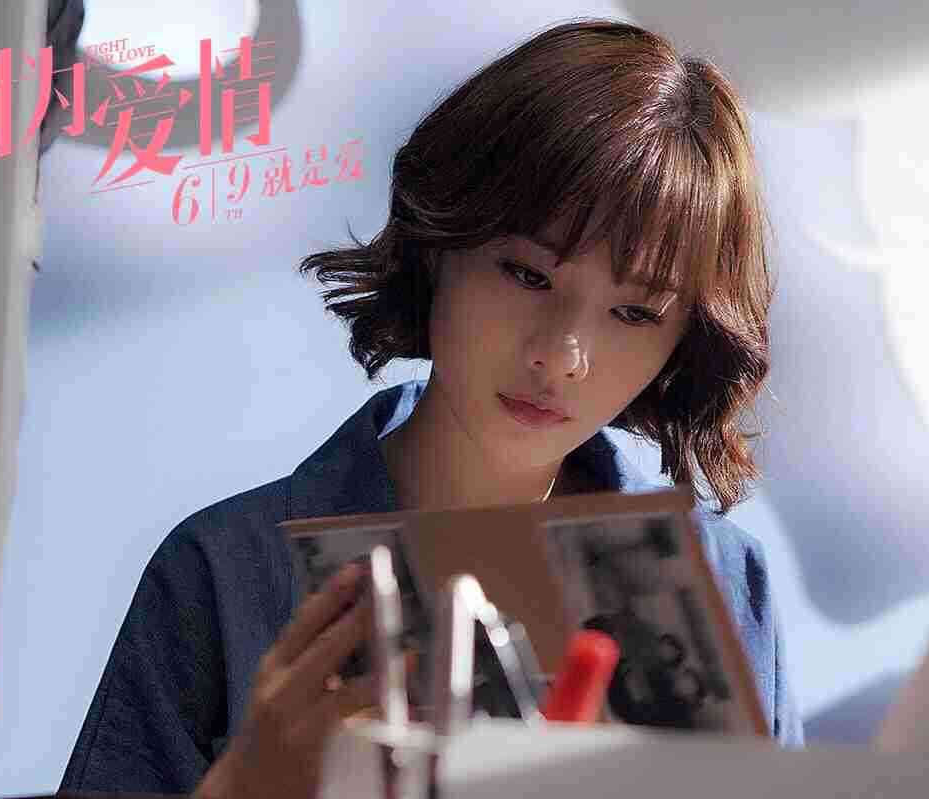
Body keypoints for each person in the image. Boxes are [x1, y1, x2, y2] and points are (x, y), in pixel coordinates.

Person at [59, 17, 803, 798]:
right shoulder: (223, 572)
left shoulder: (728, 584)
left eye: (634, 313)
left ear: (683, 341)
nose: (562, 354)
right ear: (440, 241)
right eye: (527, 275)